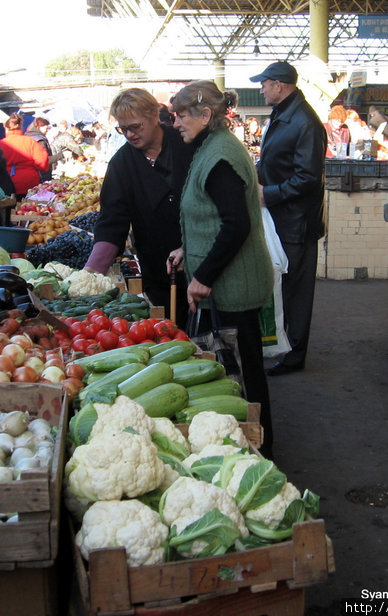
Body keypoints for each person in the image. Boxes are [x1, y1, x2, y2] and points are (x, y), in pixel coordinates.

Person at [167, 80, 274, 457]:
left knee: (244, 375)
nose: (176, 123)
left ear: (205, 115)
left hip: (234, 287)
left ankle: (264, 453)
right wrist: (187, 248)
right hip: (229, 283)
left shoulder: (220, 156)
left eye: (181, 116)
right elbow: (212, 215)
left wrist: (203, 277)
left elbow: (236, 224)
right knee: (240, 370)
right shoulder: (213, 147)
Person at [84, 88, 193, 324]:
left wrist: (193, 247)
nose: (130, 134)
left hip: (202, 263)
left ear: (155, 115)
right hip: (158, 269)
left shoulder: (186, 143)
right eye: (123, 129)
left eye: (136, 126)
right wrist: (91, 272)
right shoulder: (122, 164)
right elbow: (112, 220)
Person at [250, 60, 327, 376]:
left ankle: (295, 355)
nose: (262, 88)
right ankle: (284, 345)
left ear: (279, 84)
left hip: (296, 222)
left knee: (296, 290)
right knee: (284, 287)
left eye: (264, 83)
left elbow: (308, 178)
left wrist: (269, 193)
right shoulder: (284, 116)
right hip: (281, 218)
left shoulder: (304, 122)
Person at [0, 113, 50, 199]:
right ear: (21, 126)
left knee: (12, 211)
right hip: (30, 184)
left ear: (6, 128)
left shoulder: (0, 144)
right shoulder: (30, 141)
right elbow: (43, 163)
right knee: (30, 210)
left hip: (9, 185)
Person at [25, 117, 62, 182]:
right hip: (42, 175)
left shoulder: (27, 137)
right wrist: (61, 155)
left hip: (32, 172)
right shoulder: (40, 140)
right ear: (39, 127)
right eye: (46, 128)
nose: (47, 130)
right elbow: (45, 160)